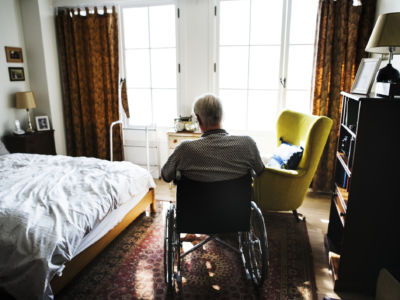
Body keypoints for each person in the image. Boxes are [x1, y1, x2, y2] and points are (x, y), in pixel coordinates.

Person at [161, 93, 264, 182]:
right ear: (222, 116)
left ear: (198, 119)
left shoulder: (184, 149)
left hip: (197, 205)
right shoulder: (247, 144)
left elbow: (165, 175)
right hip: (236, 205)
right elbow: (260, 170)